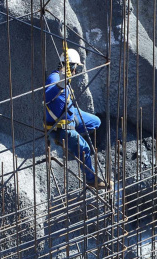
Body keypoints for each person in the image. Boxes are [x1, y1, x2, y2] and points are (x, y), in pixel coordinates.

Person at [44, 48, 109, 189]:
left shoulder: (64, 78)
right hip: (61, 126)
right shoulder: (55, 78)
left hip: (72, 116)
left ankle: (73, 143)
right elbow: (47, 96)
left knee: (96, 122)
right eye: (75, 68)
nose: (75, 72)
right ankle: (91, 179)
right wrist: (60, 84)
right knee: (84, 148)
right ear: (71, 66)